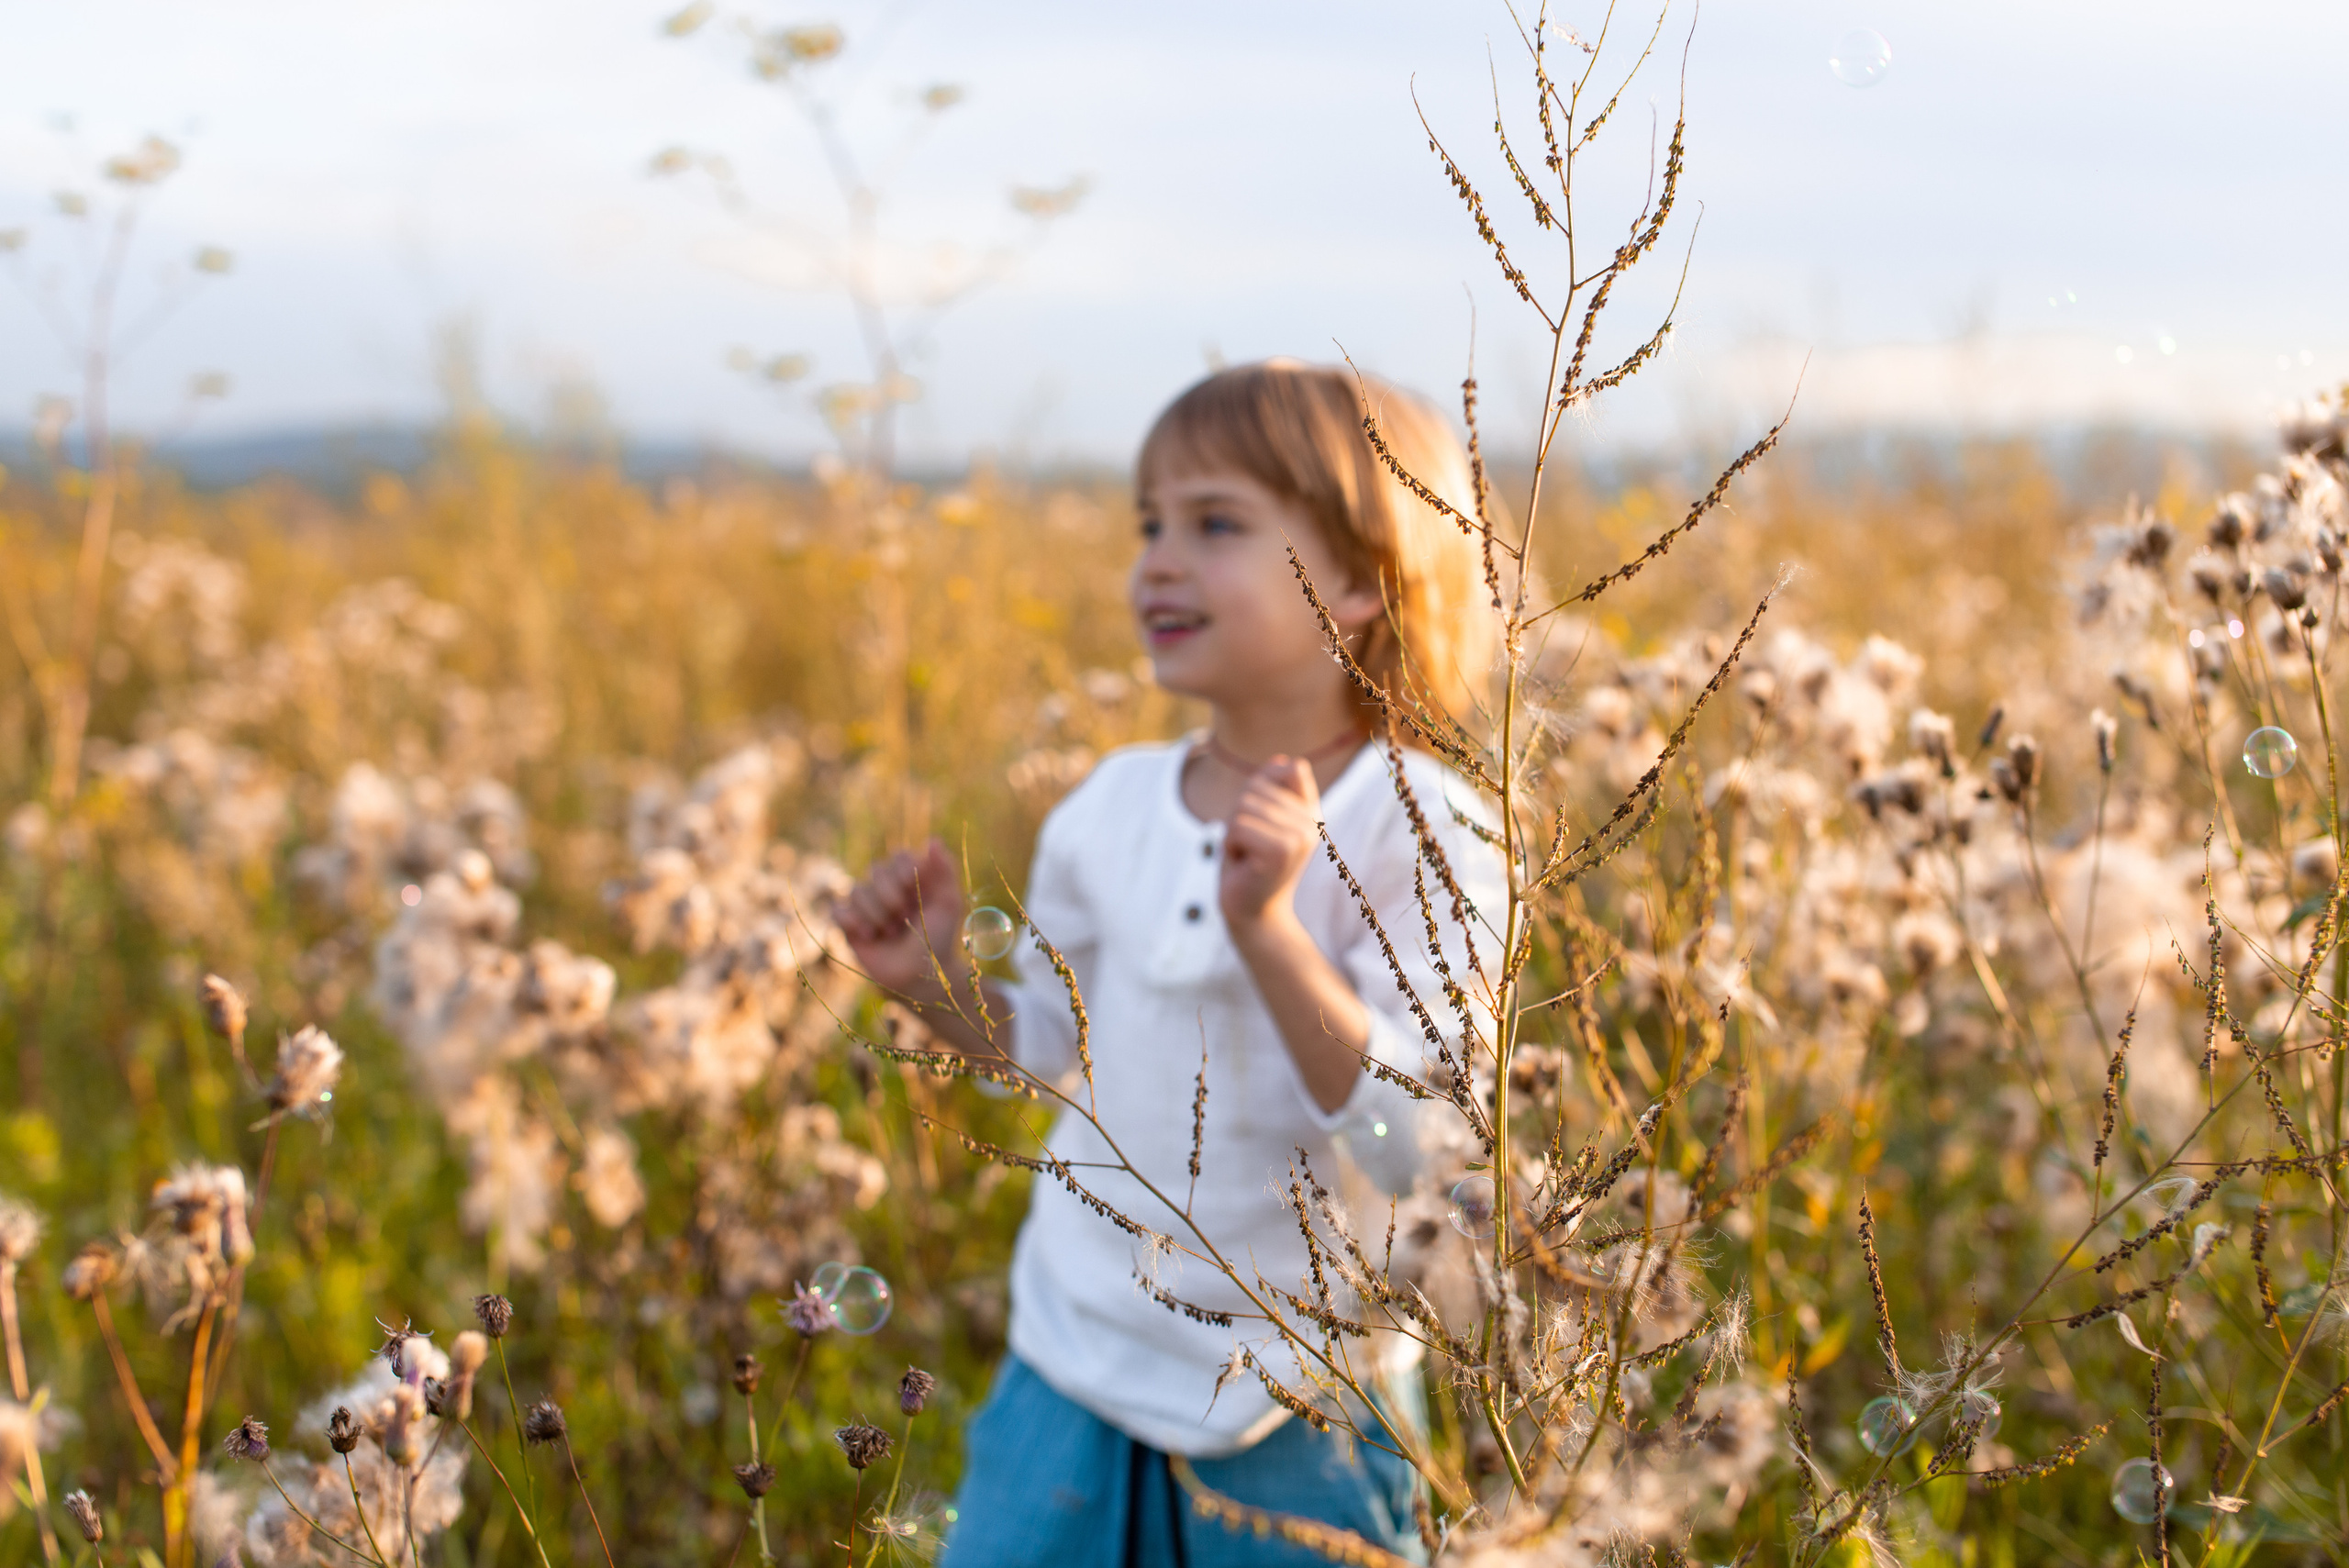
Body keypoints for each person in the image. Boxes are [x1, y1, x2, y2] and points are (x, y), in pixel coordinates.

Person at [836, 360, 1506, 1565]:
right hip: (1073, 1365)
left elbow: (1427, 1149)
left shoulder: (1424, 827)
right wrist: (931, 980)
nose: (1158, 558)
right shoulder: (1109, 806)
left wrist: (1272, 933)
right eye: (1149, 521)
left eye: (1216, 523)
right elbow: (1047, 1051)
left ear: (1359, 576)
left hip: (1303, 1401)